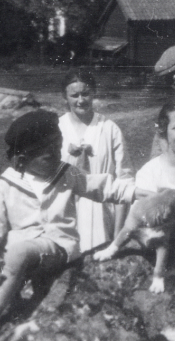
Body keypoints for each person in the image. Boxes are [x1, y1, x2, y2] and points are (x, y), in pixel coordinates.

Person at [0, 110, 149, 337]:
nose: (58, 157)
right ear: (23, 160)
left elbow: (102, 186)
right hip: (19, 252)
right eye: (48, 156)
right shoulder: (7, 183)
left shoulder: (65, 173)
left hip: (57, 247)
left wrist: (139, 193)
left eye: (59, 147)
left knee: (19, 253)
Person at [57, 70, 133, 251]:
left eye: (85, 94)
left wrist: (118, 233)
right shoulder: (57, 128)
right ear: (65, 97)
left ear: (94, 93)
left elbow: (125, 180)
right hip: (66, 213)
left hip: (102, 213)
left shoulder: (109, 128)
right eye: (74, 95)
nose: (81, 100)